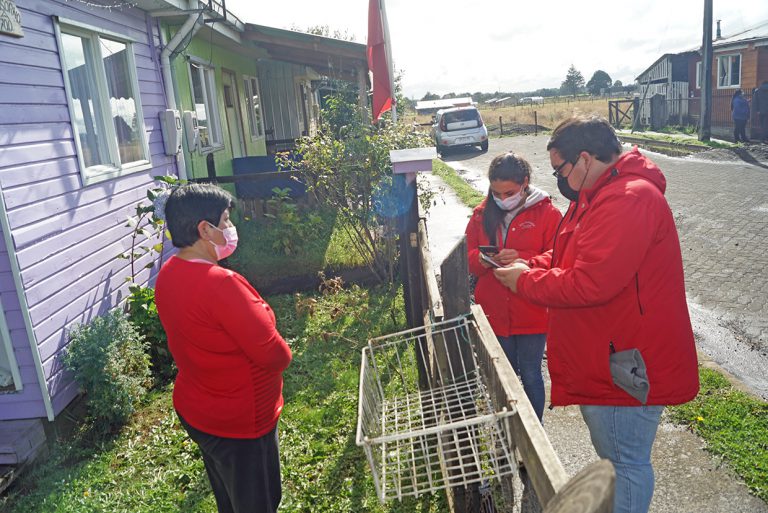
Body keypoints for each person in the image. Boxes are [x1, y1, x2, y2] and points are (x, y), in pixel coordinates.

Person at [493, 116, 699, 513]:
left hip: (623, 361)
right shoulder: (597, 194)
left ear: (585, 159)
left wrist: (525, 283)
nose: (558, 178)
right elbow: (569, 256)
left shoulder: (627, 199)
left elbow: (590, 282)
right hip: (608, 353)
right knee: (616, 459)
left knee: (624, 463)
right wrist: (531, 265)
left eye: (560, 169)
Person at [154, 183, 292, 513]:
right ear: (205, 229)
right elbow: (277, 356)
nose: (231, 228)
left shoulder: (169, 273)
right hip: (241, 420)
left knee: (230, 497)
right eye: (226, 220)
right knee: (258, 504)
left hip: (200, 410)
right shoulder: (222, 284)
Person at [464, 152, 562, 421]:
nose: (503, 199)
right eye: (497, 193)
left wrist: (527, 261)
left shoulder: (547, 212)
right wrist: (486, 260)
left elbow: (559, 255)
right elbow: (468, 257)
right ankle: (508, 429)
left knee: (530, 372)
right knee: (502, 373)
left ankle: (535, 429)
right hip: (494, 310)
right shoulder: (481, 213)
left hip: (531, 308)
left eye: (510, 192)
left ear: (525, 183)